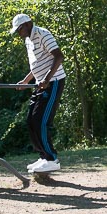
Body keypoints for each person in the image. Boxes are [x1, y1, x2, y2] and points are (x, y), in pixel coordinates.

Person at [10, 14, 65, 173]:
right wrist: (26, 80)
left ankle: (52, 159)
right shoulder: (28, 40)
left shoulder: (42, 34)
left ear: (28, 24)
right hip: (40, 84)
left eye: (19, 29)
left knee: (41, 121)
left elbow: (59, 56)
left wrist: (47, 79)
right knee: (31, 120)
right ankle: (43, 157)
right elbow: (36, 65)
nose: (19, 33)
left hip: (53, 82)